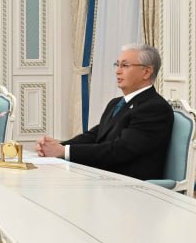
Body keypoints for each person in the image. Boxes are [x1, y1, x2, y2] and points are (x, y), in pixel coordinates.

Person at [36, 43, 173, 181]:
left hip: (128, 185)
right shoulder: (116, 102)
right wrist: (57, 146)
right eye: (117, 65)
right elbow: (95, 136)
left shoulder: (154, 108)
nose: (118, 71)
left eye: (125, 65)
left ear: (146, 72)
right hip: (102, 177)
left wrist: (63, 151)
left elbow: (120, 150)